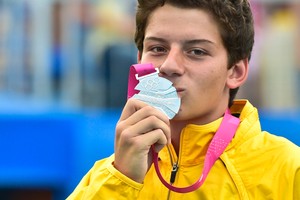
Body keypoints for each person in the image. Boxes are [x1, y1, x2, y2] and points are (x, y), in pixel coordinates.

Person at [67, 0, 300, 199]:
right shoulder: (110, 175)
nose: (169, 65)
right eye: (158, 48)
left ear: (235, 72)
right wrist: (122, 180)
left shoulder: (289, 169)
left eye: (196, 51)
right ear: (140, 60)